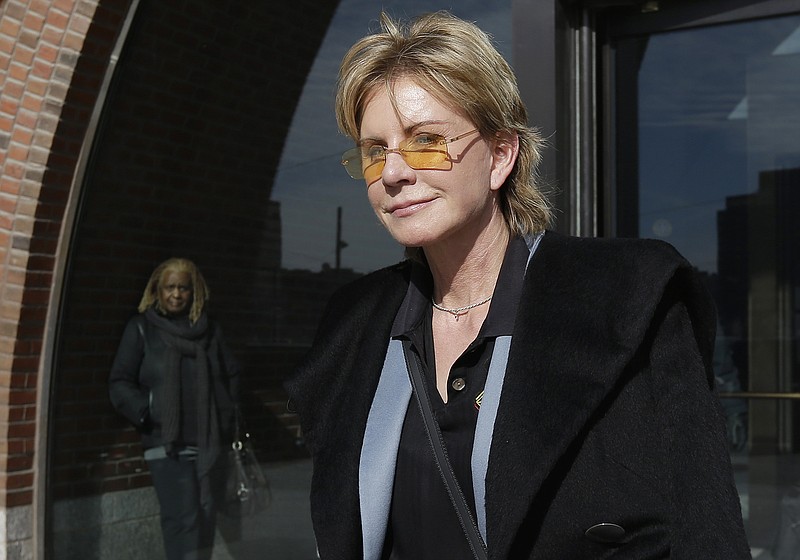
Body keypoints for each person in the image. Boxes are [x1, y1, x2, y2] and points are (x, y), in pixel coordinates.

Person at [285, 10, 750, 560]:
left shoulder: (625, 302)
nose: (392, 172)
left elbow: (703, 524)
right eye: (374, 150)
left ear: (501, 156)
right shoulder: (357, 325)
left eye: (426, 140)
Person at [109, 258, 240, 560]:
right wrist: (150, 408)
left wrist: (224, 415)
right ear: (157, 290)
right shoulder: (142, 329)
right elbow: (119, 382)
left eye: (184, 288)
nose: (177, 295)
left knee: (206, 519)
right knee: (183, 519)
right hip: (166, 445)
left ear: (195, 291)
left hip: (208, 443)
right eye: (170, 287)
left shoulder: (209, 331)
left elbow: (230, 375)